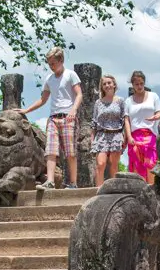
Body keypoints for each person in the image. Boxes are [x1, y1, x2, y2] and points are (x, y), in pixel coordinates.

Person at [17, 47, 82, 189]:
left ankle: (73, 183)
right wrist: (26, 110)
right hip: (53, 117)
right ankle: (50, 182)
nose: (51, 66)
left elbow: (79, 94)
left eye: (53, 63)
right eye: (49, 64)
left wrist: (73, 110)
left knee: (70, 152)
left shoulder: (71, 75)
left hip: (68, 117)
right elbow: (43, 100)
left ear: (61, 60)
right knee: (51, 150)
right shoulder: (49, 79)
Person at [90, 75, 129, 188]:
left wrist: (125, 137)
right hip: (101, 135)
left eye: (109, 83)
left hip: (116, 135)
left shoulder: (120, 101)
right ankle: (98, 190)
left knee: (113, 165)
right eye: (104, 84)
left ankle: (113, 191)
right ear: (102, 87)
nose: (107, 85)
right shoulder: (98, 102)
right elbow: (94, 122)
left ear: (114, 84)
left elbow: (125, 119)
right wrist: (92, 140)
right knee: (100, 164)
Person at [125, 70, 160, 184]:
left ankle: (151, 189)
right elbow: (126, 120)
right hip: (135, 136)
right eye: (137, 84)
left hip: (150, 135)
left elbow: (159, 112)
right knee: (136, 163)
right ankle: (138, 191)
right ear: (133, 85)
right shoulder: (128, 101)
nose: (139, 86)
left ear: (144, 83)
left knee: (150, 163)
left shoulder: (153, 96)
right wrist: (129, 136)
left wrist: (155, 117)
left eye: (141, 83)